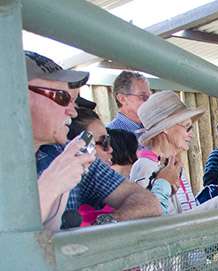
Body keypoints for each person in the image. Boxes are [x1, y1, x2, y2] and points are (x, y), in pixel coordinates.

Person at [28, 51, 160, 231]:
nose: (73, 112)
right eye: (62, 97)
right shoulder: (66, 162)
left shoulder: (65, 154)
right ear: (16, 96)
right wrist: (52, 183)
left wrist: (102, 226)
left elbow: (147, 202)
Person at [130, 91, 218, 214]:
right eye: (187, 127)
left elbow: (185, 216)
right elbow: (164, 225)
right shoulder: (145, 168)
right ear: (166, 129)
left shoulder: (171, 165)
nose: (191, 134)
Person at [107, 70, 151, 136]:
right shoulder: (111, 134)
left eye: (149, 96)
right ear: (122, 99)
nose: (149, 101)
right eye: (143, 96)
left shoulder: (153, 127)